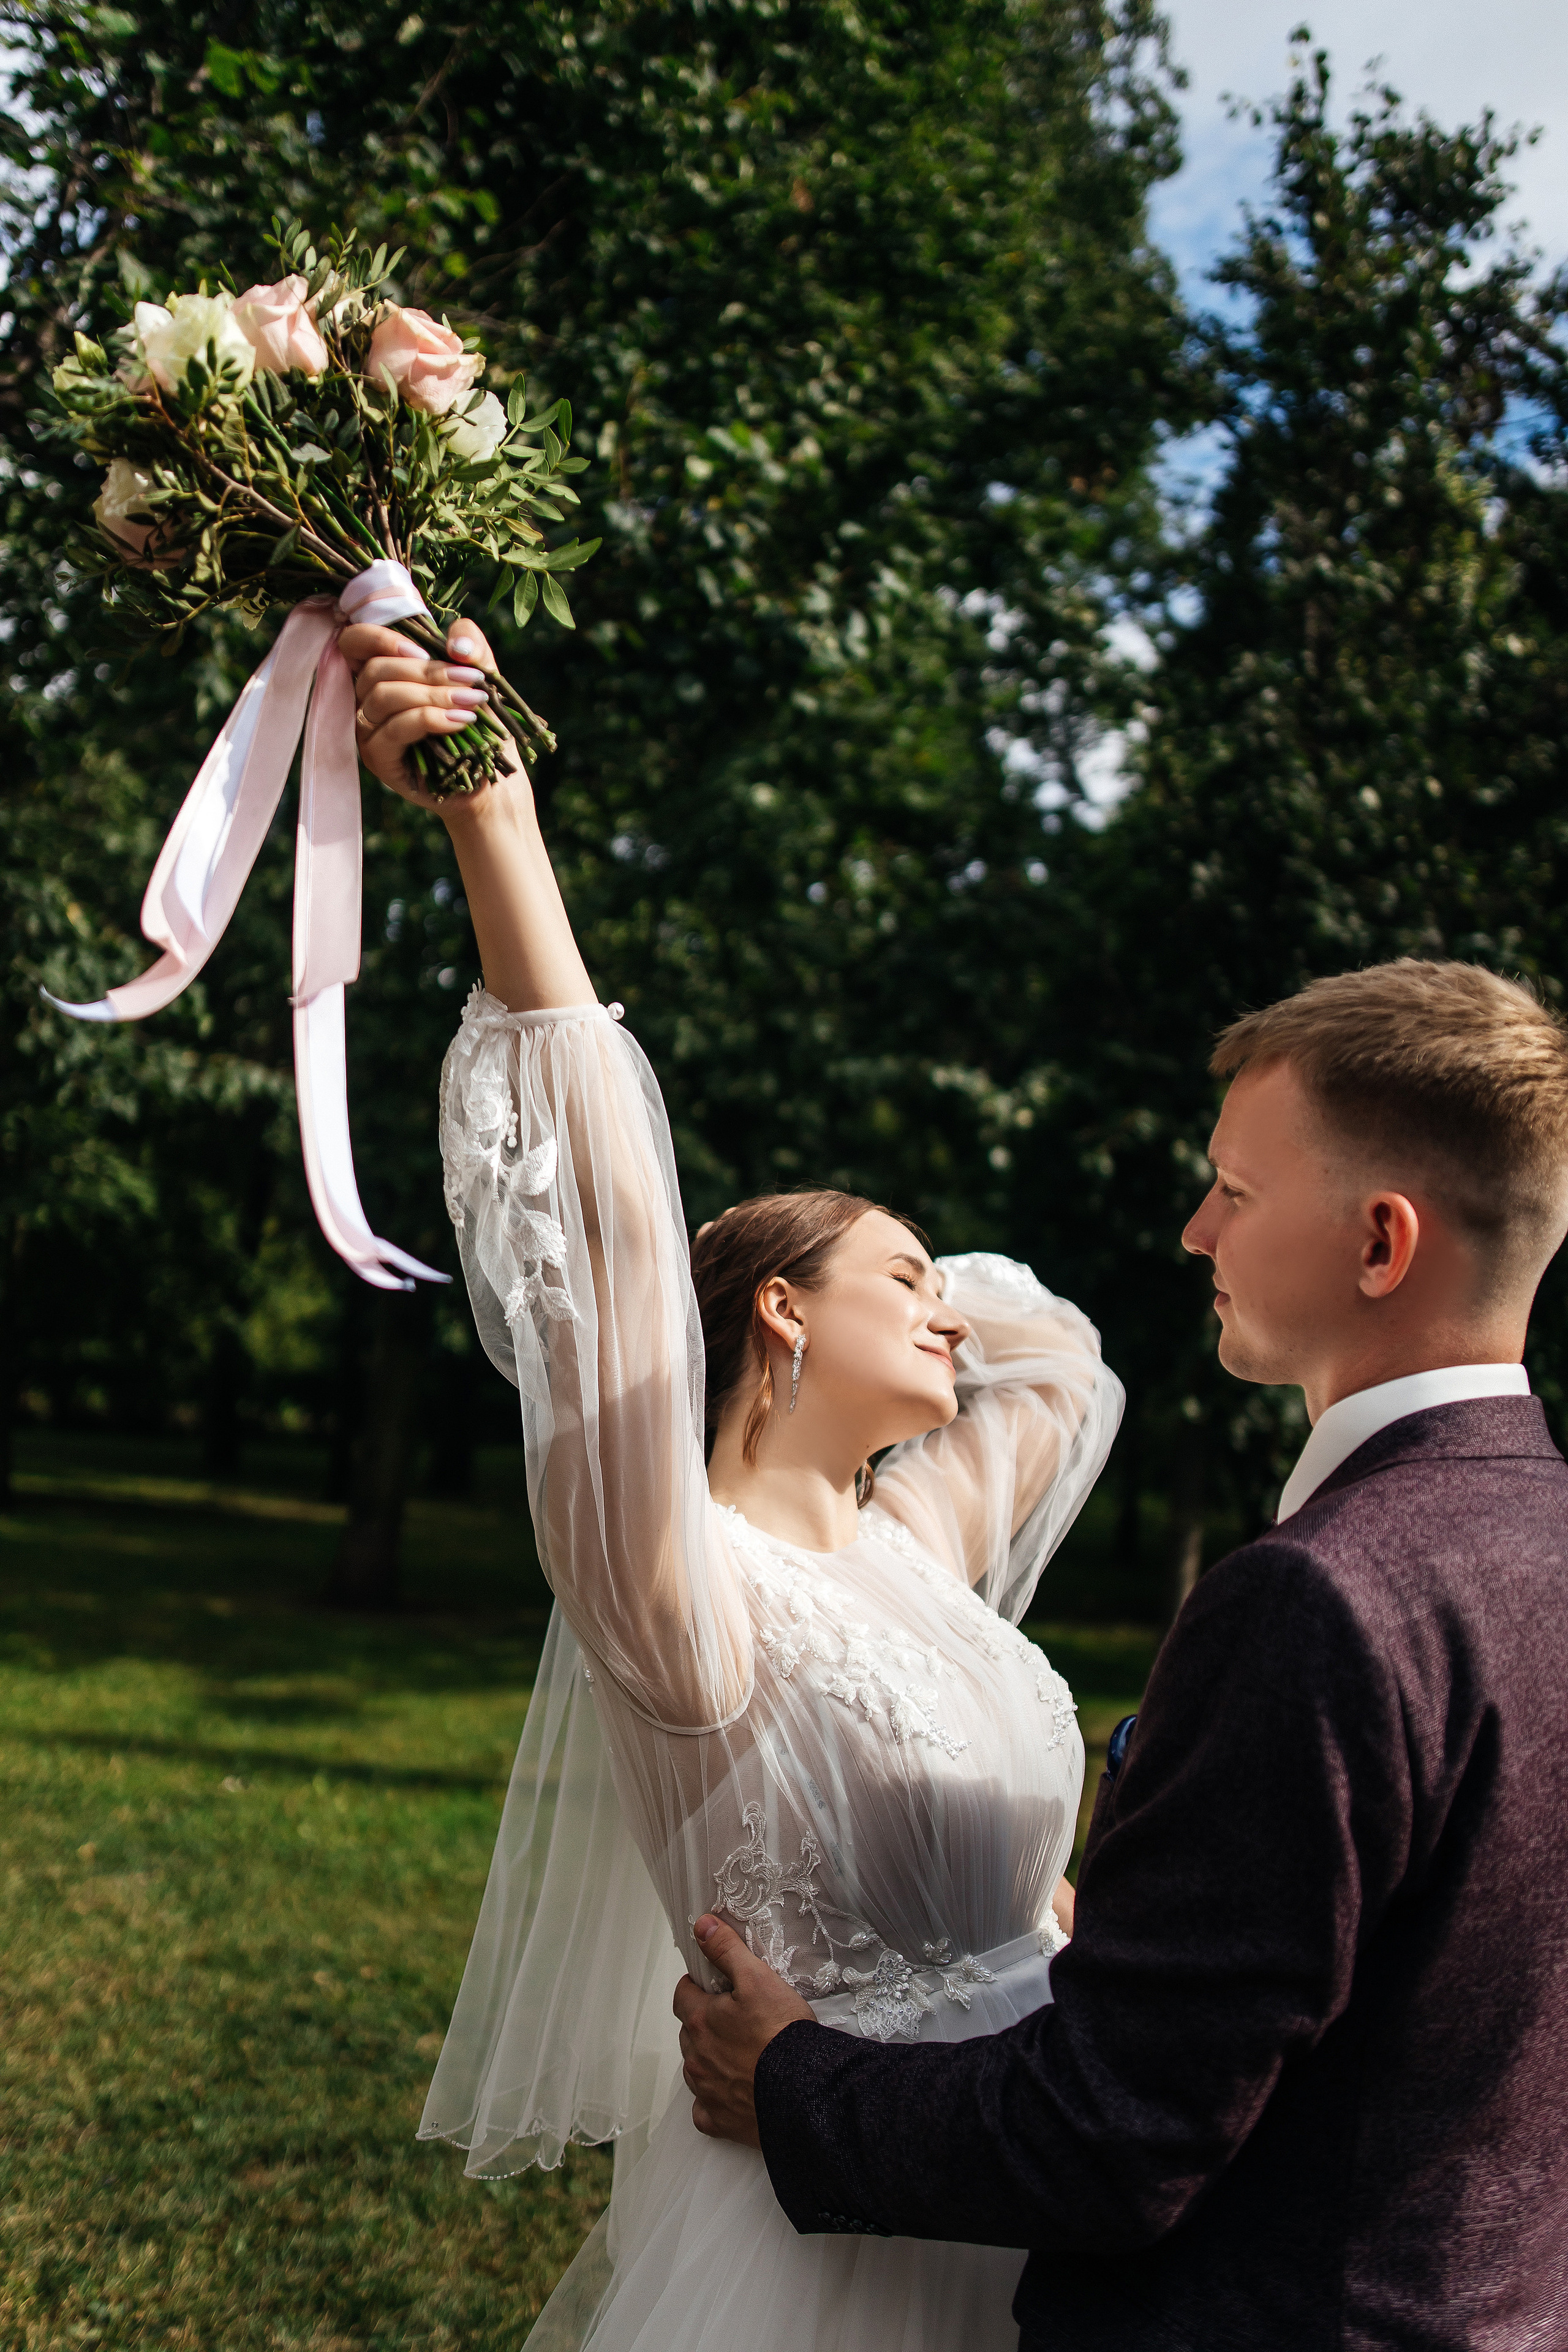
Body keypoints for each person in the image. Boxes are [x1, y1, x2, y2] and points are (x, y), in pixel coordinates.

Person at [340, 612, 1124, 2352]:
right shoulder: (678, 1594)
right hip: (834, 2233)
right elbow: (613, 1230)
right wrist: (495, 818)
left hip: (1039, 2171)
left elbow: (1054, 1355)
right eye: (896, 1276)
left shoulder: (910, 1545)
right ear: (776, 1311)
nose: (946, 1309)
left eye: (937, 1280)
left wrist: (903, 1300)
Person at [677, 956, 1568, 2348]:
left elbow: (1113, 2136)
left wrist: (790, 2080)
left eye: (1237, 1190)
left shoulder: (1319, 1602)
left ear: (1379, 1246)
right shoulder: (1540, 1536)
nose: (1192, 1231)